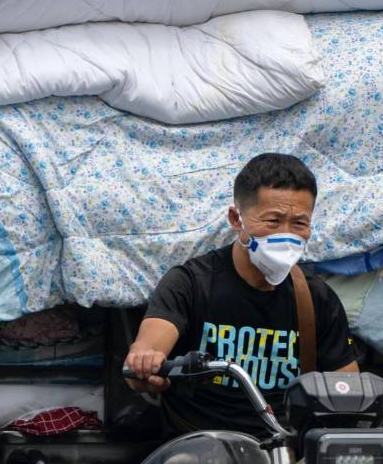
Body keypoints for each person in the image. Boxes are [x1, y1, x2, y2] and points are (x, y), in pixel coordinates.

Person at [124, 152, 359, 437]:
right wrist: (144, 363)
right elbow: (147, 348)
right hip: (200, 443)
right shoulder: (190, 283)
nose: (286, 235)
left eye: (299, 223)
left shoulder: (316, 298)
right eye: (273, 221)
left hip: (284, 445)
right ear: (236, 219)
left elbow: (348, 389)